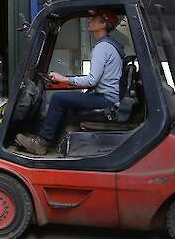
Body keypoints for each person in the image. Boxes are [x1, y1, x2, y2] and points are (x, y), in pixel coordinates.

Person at [15, 9, 124, 155]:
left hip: (106, 101)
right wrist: (67, 81)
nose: (89, 21)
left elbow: (92, 80)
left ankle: (42, 143)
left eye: (94, 19)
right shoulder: (109, 46)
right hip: (107, 98)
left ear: (103, 24)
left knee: (59, 99)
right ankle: (51, 140)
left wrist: (64, 79)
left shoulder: (102, 48)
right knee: (67, 101)